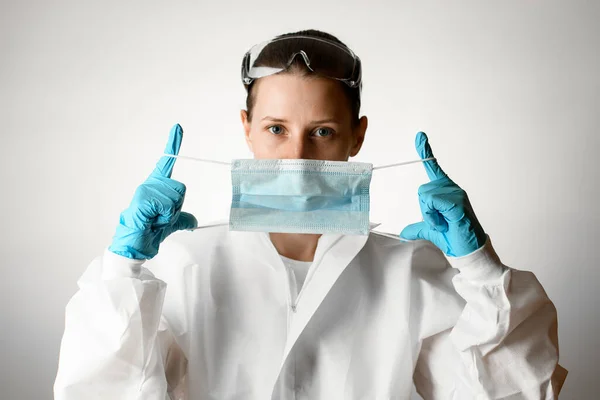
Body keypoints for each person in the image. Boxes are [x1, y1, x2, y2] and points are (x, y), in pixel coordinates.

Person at [54, 29, 567, 399]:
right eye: (276, 128)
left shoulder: (410, 272)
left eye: (322, 131)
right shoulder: (182, 267)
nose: (297, 154)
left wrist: (478, 267)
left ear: (357, 136)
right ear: (246, 128)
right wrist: (123, 270)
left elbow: (511, 394)